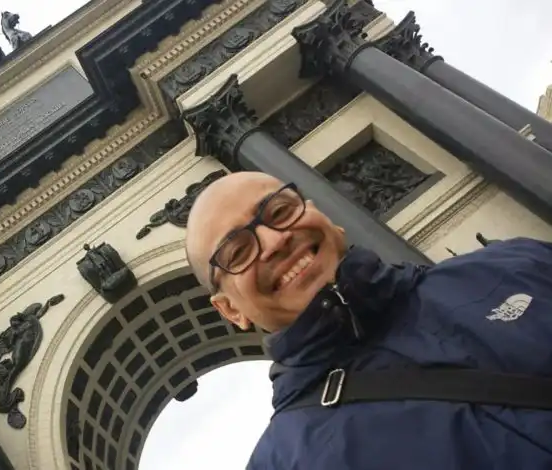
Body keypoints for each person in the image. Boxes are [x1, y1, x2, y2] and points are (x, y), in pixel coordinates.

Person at [184, 171, 552, 469]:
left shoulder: (515, 264)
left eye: (279, 211)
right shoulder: (284, 463)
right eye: (237, 252)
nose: (274, 240)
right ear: (230, 310)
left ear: (320, 214)